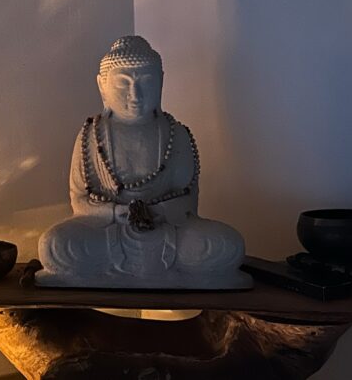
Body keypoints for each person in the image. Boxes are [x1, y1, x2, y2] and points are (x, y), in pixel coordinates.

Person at [37, 36, 251, 288]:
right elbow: (80, 201)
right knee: (55, 245)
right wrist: (117, 213)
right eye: (122, 84)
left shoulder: (176, 133)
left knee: (227, 244)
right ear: (102, 86)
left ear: (160, 83)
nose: (134, 94)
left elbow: (188, 201)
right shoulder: (91, 135)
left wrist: (157, 213)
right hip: (106, 230)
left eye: (146, 82)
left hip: (167, 229)